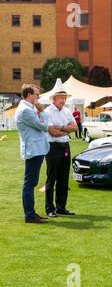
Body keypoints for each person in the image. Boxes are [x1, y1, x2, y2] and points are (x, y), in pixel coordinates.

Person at [15, 84, 50, 224]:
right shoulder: (26, 110)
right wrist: (41, 111)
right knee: (30, 183)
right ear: (29, 95)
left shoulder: (27, 109)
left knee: (31, 182)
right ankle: (29, 215)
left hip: (35, 149)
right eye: (36, 94)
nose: (38, 97)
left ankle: (31, 213)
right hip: (34, 150)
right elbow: (43, 126)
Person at [44, 82, 79, 218]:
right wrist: (66, 129)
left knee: (64, 179)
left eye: (64, 97)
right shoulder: (47, 112)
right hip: (52, 147)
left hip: (65, 146)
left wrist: (62, 128)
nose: (63, 100)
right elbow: (52, 132)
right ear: (54, 98)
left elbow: (75, 127)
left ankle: (61, 207)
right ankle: (49, 209)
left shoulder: (66, 110)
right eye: (61, 97)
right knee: (51, 178)